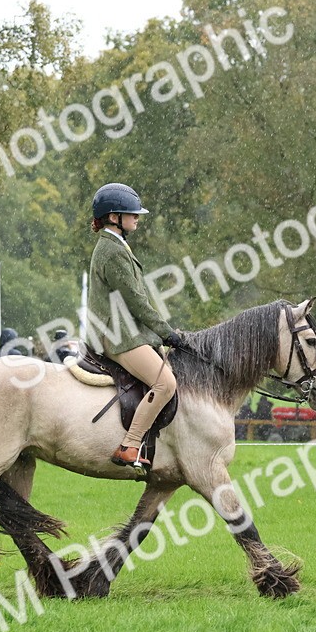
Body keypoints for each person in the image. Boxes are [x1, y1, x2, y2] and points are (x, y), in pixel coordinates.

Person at [86, 182, 184, 470]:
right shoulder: (112, 251)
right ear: (114, 217)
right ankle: (129, 445)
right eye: (132, 213)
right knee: (165, 383)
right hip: (116, 334)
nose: (137, 217)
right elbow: (136, 301)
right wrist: (167, 333)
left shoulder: (116, 245)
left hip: (123, 330)